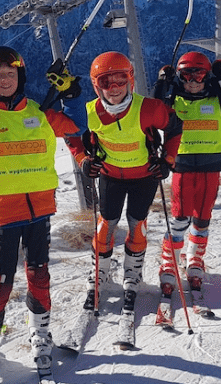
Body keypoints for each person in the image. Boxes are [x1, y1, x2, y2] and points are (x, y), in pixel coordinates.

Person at [0, 46, 84, 383]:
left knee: (39, 274)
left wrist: (72, 93)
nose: (5, 80)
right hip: (4, 211)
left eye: (10, 74)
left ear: (19, 77)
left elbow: (77, 126)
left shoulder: (39, 111)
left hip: (39, 209)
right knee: (1, 280)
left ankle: (41, 334)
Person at [81, 51, 182, 309]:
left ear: (131, 80)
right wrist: (83, 159)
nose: (114, 89)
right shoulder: (90, 112)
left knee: (137, 225)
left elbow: (175, 127)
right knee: (106, 226)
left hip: (144, 178)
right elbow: (72, 135)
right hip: (110, 177)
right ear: (96, 85)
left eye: (120, 80)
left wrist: (168, 160)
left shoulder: (149, 108)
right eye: (106, 82)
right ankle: (99, 274)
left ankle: (132, 274)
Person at [151, 51, 221, 301]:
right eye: (186, 76)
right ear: (180, 77)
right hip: (182, 164)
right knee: (180, 217)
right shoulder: (174, 100)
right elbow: (156, 107)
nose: (193, 82)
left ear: (207, 76)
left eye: (199, 75)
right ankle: (169, 263)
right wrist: (164, 81)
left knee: (203, 216)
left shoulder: (217, 97)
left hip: (211, 164)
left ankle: (195, 259)